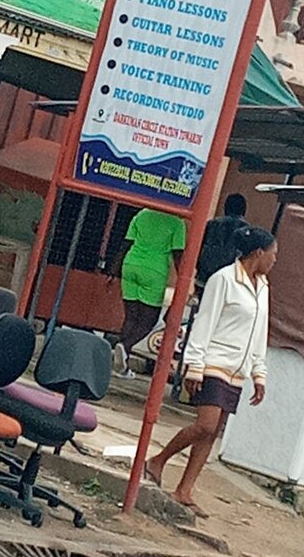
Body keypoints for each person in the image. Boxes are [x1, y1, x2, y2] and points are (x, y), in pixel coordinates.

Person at [145, 226, 277, 517]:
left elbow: (260, 331)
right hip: (214, 362)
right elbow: (205, 322)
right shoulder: (224, 279)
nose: (274, 261)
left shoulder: (263, 286)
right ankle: (158, 460)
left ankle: (185, 489)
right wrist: (194, 365)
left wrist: (259, 372)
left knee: (212, 433)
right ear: (258, 253)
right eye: (272, 254)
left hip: (237, 369)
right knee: (205, 425)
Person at [110, 209, 187, 380]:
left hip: (130, 264)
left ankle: (121, 365)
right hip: (154, 270)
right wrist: (184, 279)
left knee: (130, 317)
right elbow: (178, 254)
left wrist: (114, 268)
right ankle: (125, 345)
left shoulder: (142, 214)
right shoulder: (177, 223)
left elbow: (126, 243)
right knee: (148, 321)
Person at [196, 193, 249, 286]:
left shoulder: (212, 224)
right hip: (230, 277)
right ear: (244, 210)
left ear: (226, 207)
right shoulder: (247, 230)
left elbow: (199, 246)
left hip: (206, 273)